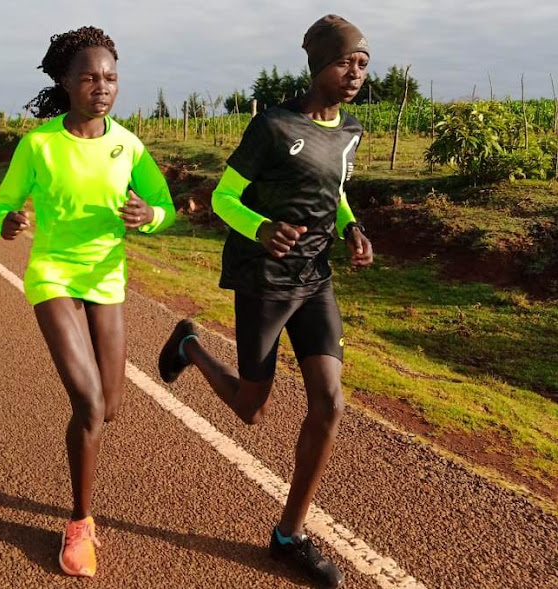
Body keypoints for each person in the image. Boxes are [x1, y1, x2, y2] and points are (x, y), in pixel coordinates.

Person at [158, 14, 373, 589]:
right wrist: (260, 230)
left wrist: (351, 228)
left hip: (315, 278)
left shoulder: (350, 129)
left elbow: (337, 190)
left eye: (362, 63)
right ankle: (190, 345)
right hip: (263, 279)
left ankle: (289, 535)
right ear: (317, 65)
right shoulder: (274, 126)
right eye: (344, 61)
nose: (354, 72)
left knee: (329, 402)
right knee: (252, 408)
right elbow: (223, 197)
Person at [0, 26, 175, 578]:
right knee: (91, 403)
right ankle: (79, 523)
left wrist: (150, 218)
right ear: (67, 82)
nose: (102, 86)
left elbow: (164, 207)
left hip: (107, 278)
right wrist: (11, 220)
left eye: (111, 77)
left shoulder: (130, 145)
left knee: (109, 407)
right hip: (52, 273)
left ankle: (87, 444)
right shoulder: (39, 144)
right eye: (90, 77)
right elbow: (4, 204)